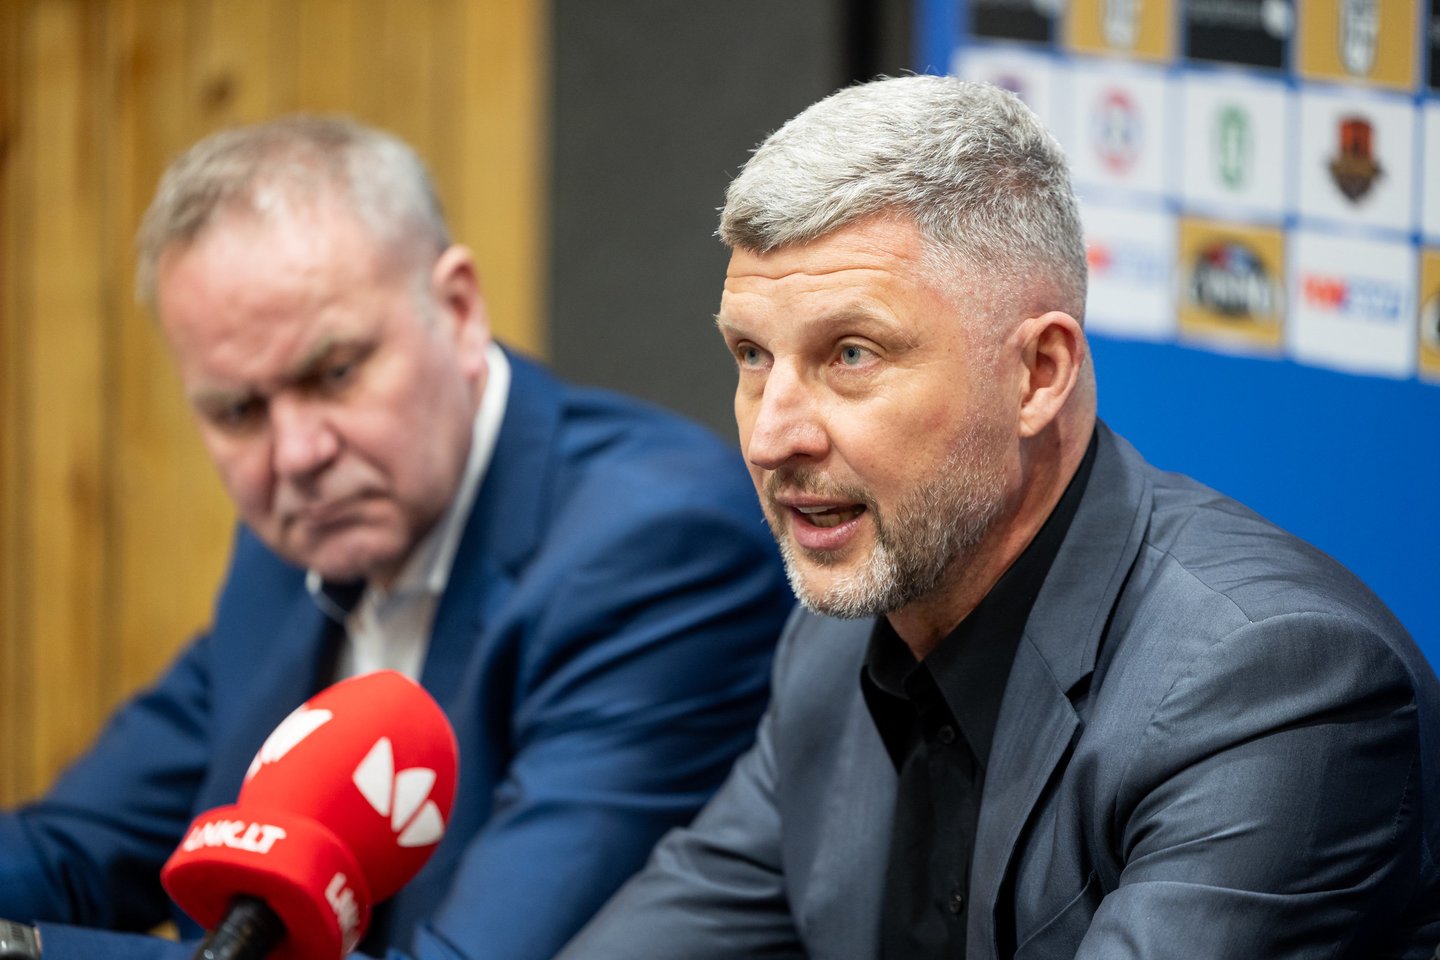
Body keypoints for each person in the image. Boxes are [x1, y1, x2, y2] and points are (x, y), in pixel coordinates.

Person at [558, 75, 1440, 959]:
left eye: (851, 355)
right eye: (753, 355)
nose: (769, 438)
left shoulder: (1271, 686)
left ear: (1038, 375)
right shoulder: (834, 644)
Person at [0, 116, 793, 960]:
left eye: (335, 373)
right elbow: (72, 849)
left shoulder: (660, 551)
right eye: (237, 410)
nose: (297, 454)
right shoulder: (298, 543)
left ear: (457, 310)